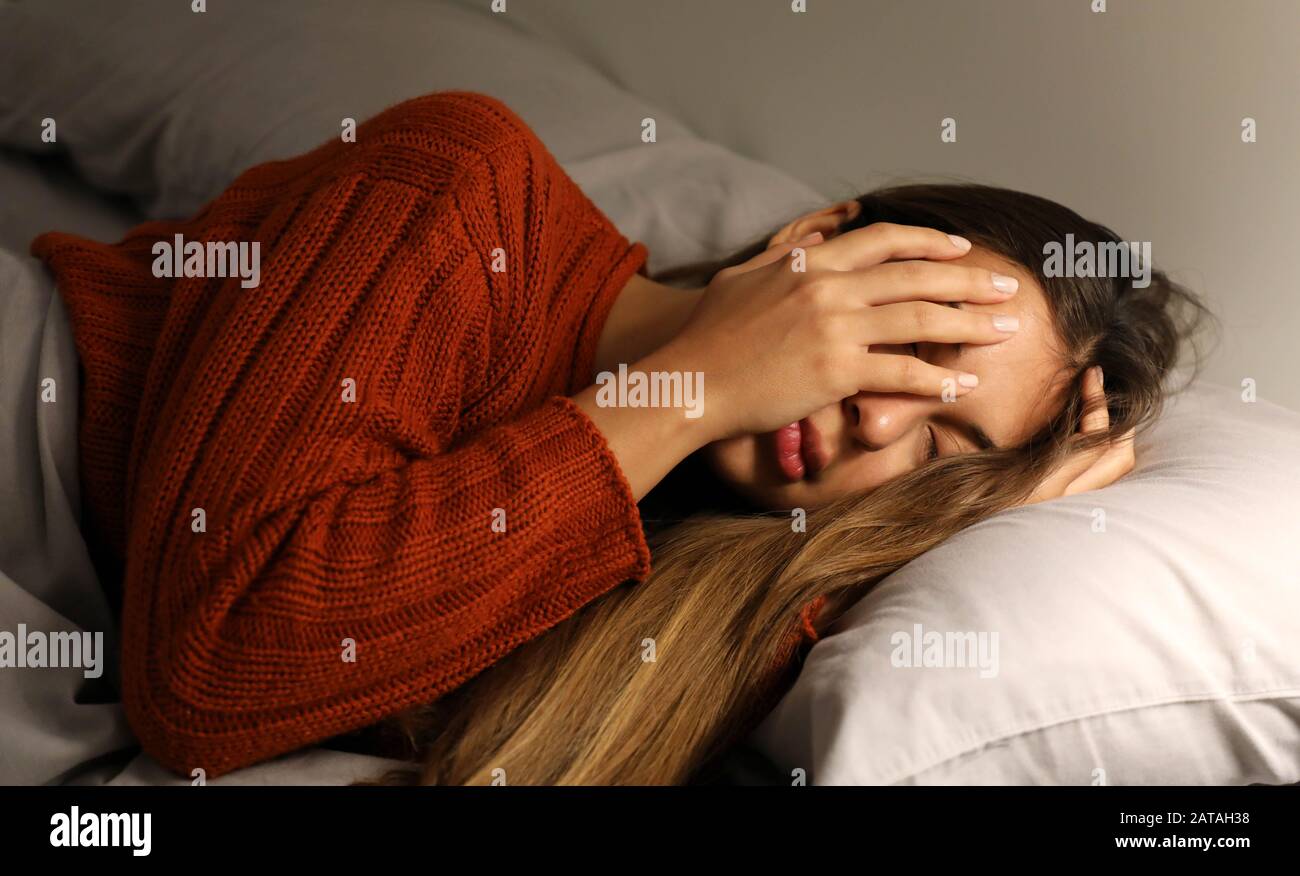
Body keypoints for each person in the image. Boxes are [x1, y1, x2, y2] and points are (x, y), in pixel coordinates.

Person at [30, 91, 1204, 782]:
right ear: (810, 241)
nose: (877, 418)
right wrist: (688, 389)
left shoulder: (697, 552)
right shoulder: (461, 183)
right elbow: (210, 665)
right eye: (903, 343)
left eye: (940, 451)